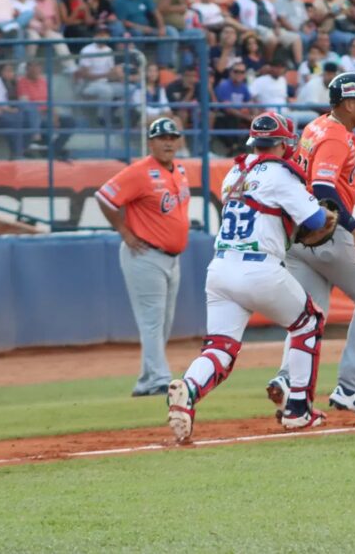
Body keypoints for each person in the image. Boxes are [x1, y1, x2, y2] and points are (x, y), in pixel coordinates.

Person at [166, 112, 334, 443]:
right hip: (259, 267)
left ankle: (188, 389)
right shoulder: (281, 174)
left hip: (221, 268)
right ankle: (298, 409)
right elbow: (315, 220)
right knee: (308, 323)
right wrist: (327, 215)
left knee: (221, 347)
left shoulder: (235, 172)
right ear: (285, 144)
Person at [266, 73, 355, 421]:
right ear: (348, 104)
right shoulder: (335, 136)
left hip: (297, 237)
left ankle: (288, 379)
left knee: (310, 312)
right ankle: (350, 388)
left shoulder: (317, 126)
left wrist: (351, 188)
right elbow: (321, 187)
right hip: (327, 231)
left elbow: (320, 176)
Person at [97, 118, 190, 398]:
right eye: (162, 138)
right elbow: (104, 197)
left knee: (163, 322)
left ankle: (147, 379)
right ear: (151, 142)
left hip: (172, 257)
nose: (168, 142)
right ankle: (159, 379)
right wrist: (124, 231)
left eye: (172, 137)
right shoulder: (139, 171)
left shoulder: (180, 170)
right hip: (145, 254)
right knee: (151, 319)